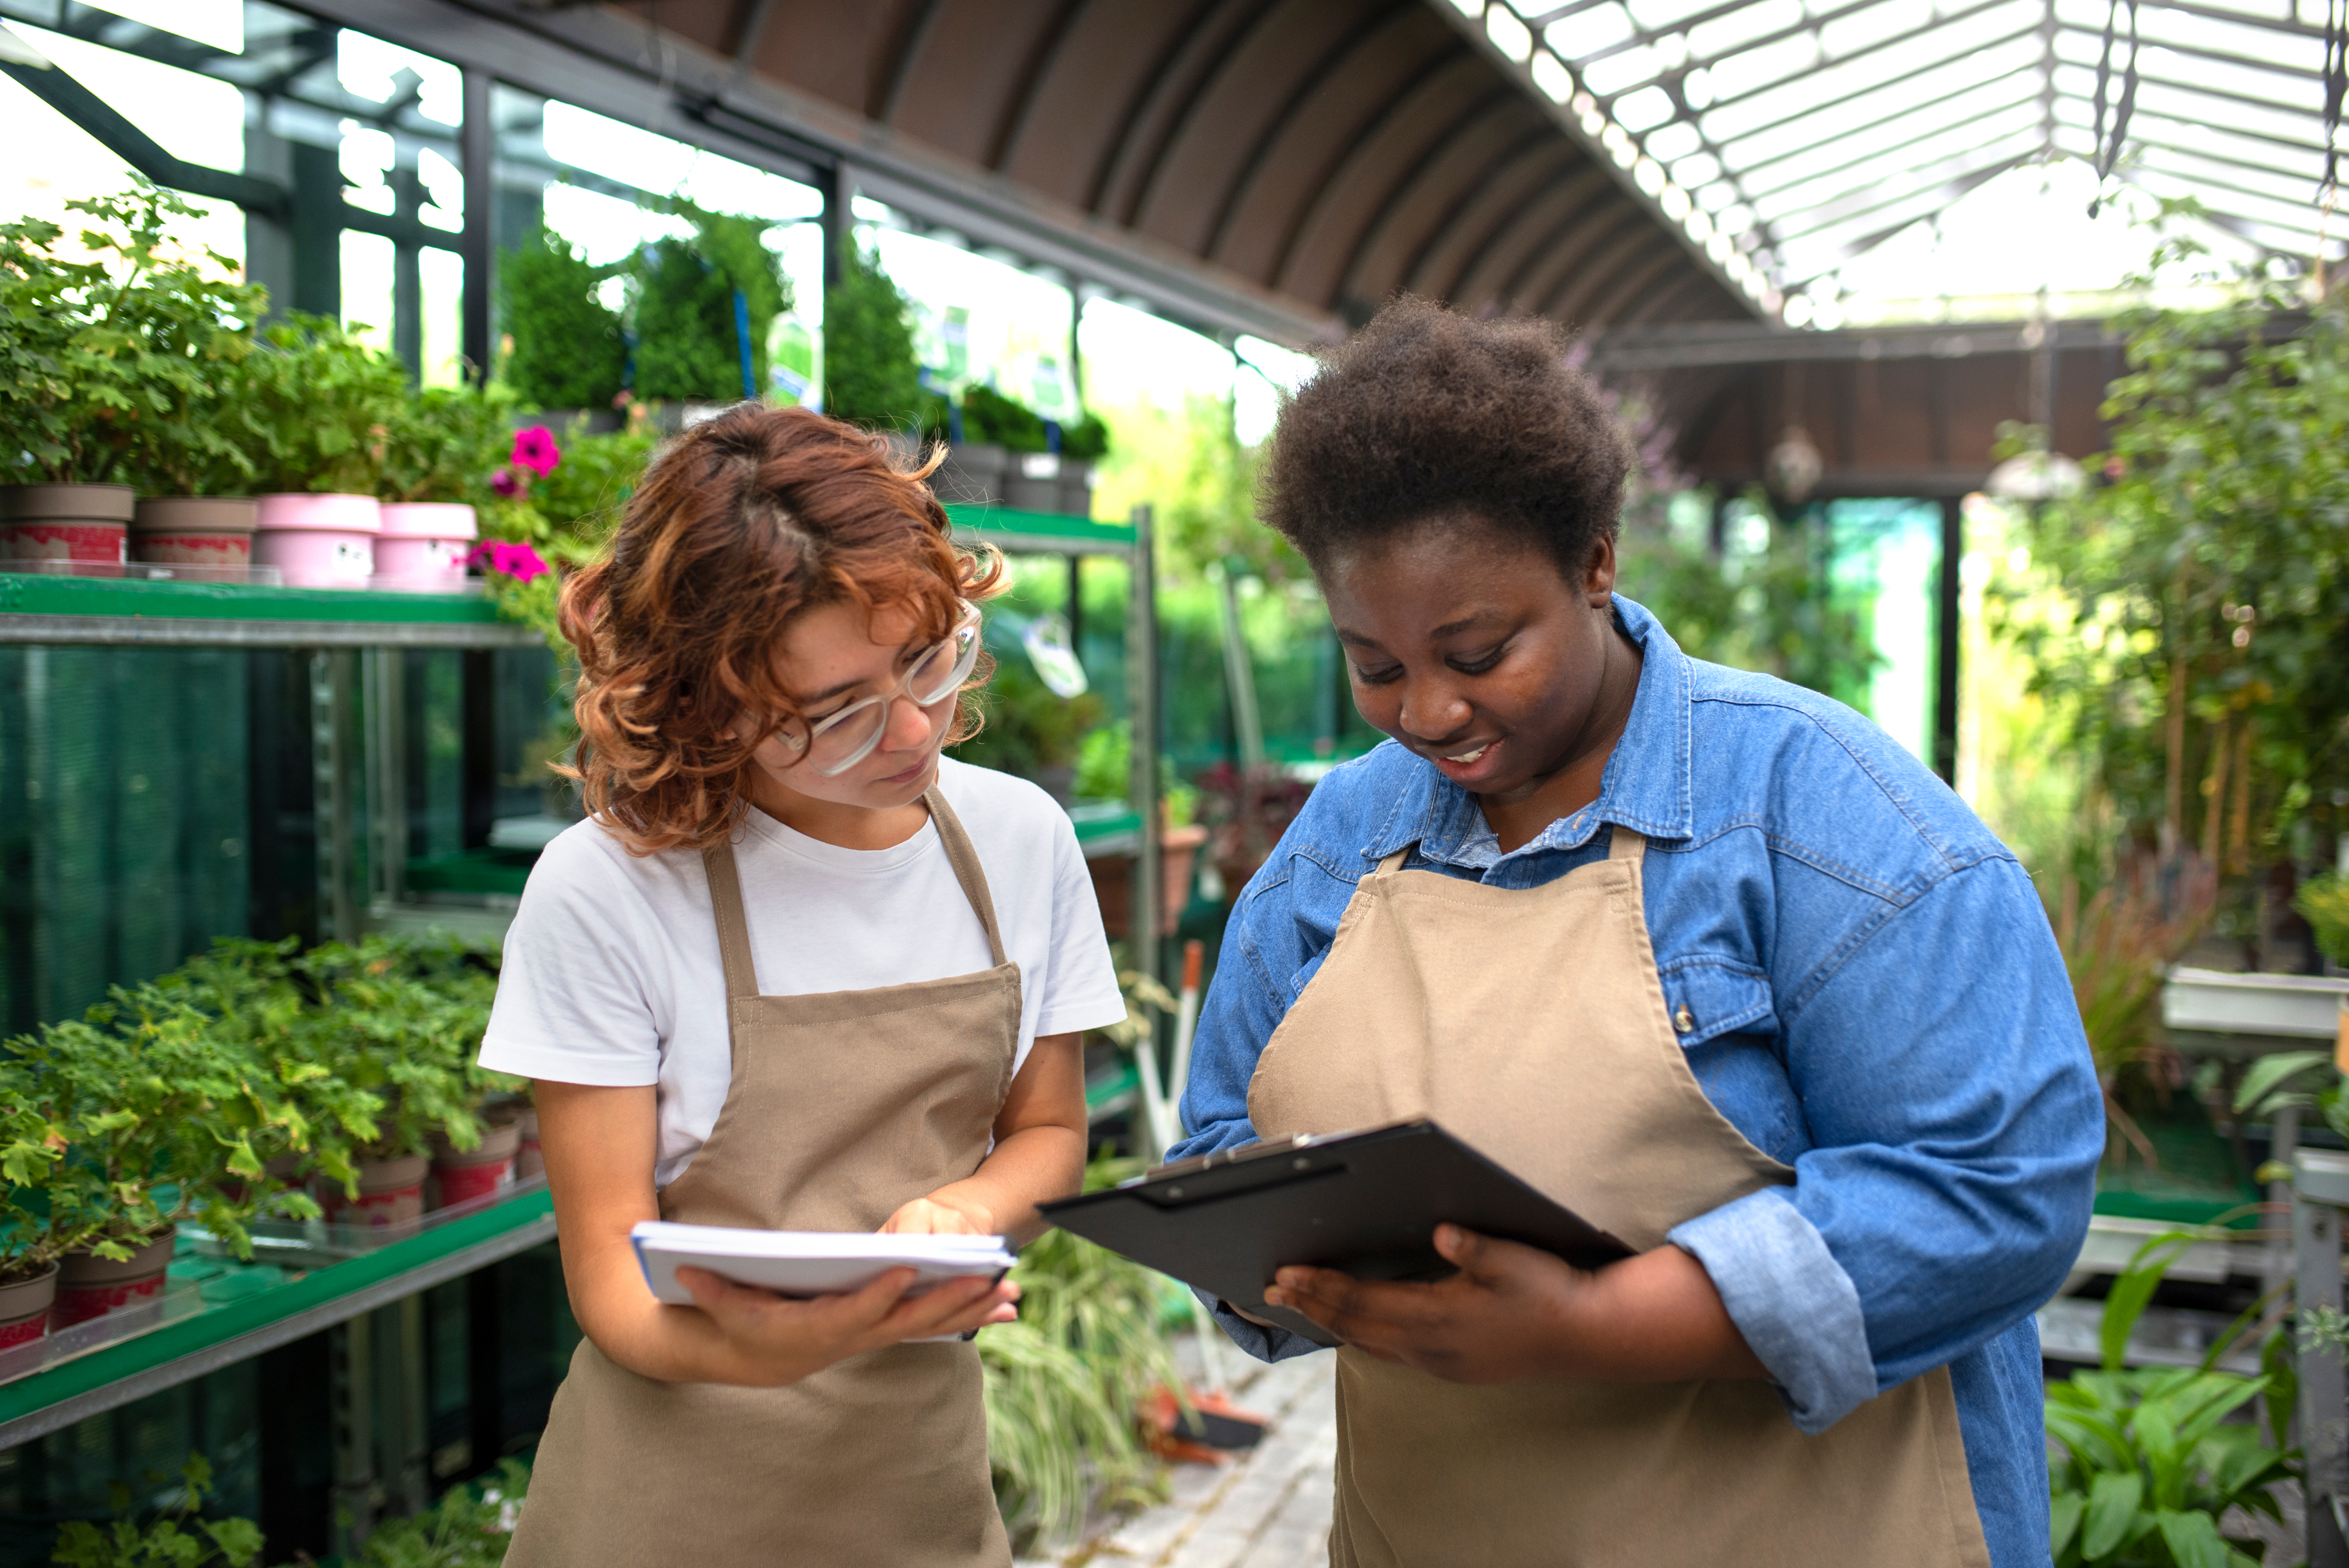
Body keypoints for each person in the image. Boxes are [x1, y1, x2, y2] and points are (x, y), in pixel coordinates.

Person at [1168, 299, 2101, 1568]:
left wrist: (1598, 1325)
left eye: (1479, 649)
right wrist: (1280, 1262)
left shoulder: (1820, 817)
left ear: (1595, 564)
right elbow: (1226, 1140)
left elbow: (1996, 1183)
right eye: (1374, 664)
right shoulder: (1339, 842)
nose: (1428, 709)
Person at [482, 405, 1128, 1567]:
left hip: (918, 1492)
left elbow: (1047, 1132)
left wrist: (967, 1214)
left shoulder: (1019, 838)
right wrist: (778, 1349)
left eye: (929, 656)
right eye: (835, 712)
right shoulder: (610, 889)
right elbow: (611, 1284)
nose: (916, 726)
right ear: (706, 700)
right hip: (663, 1507)